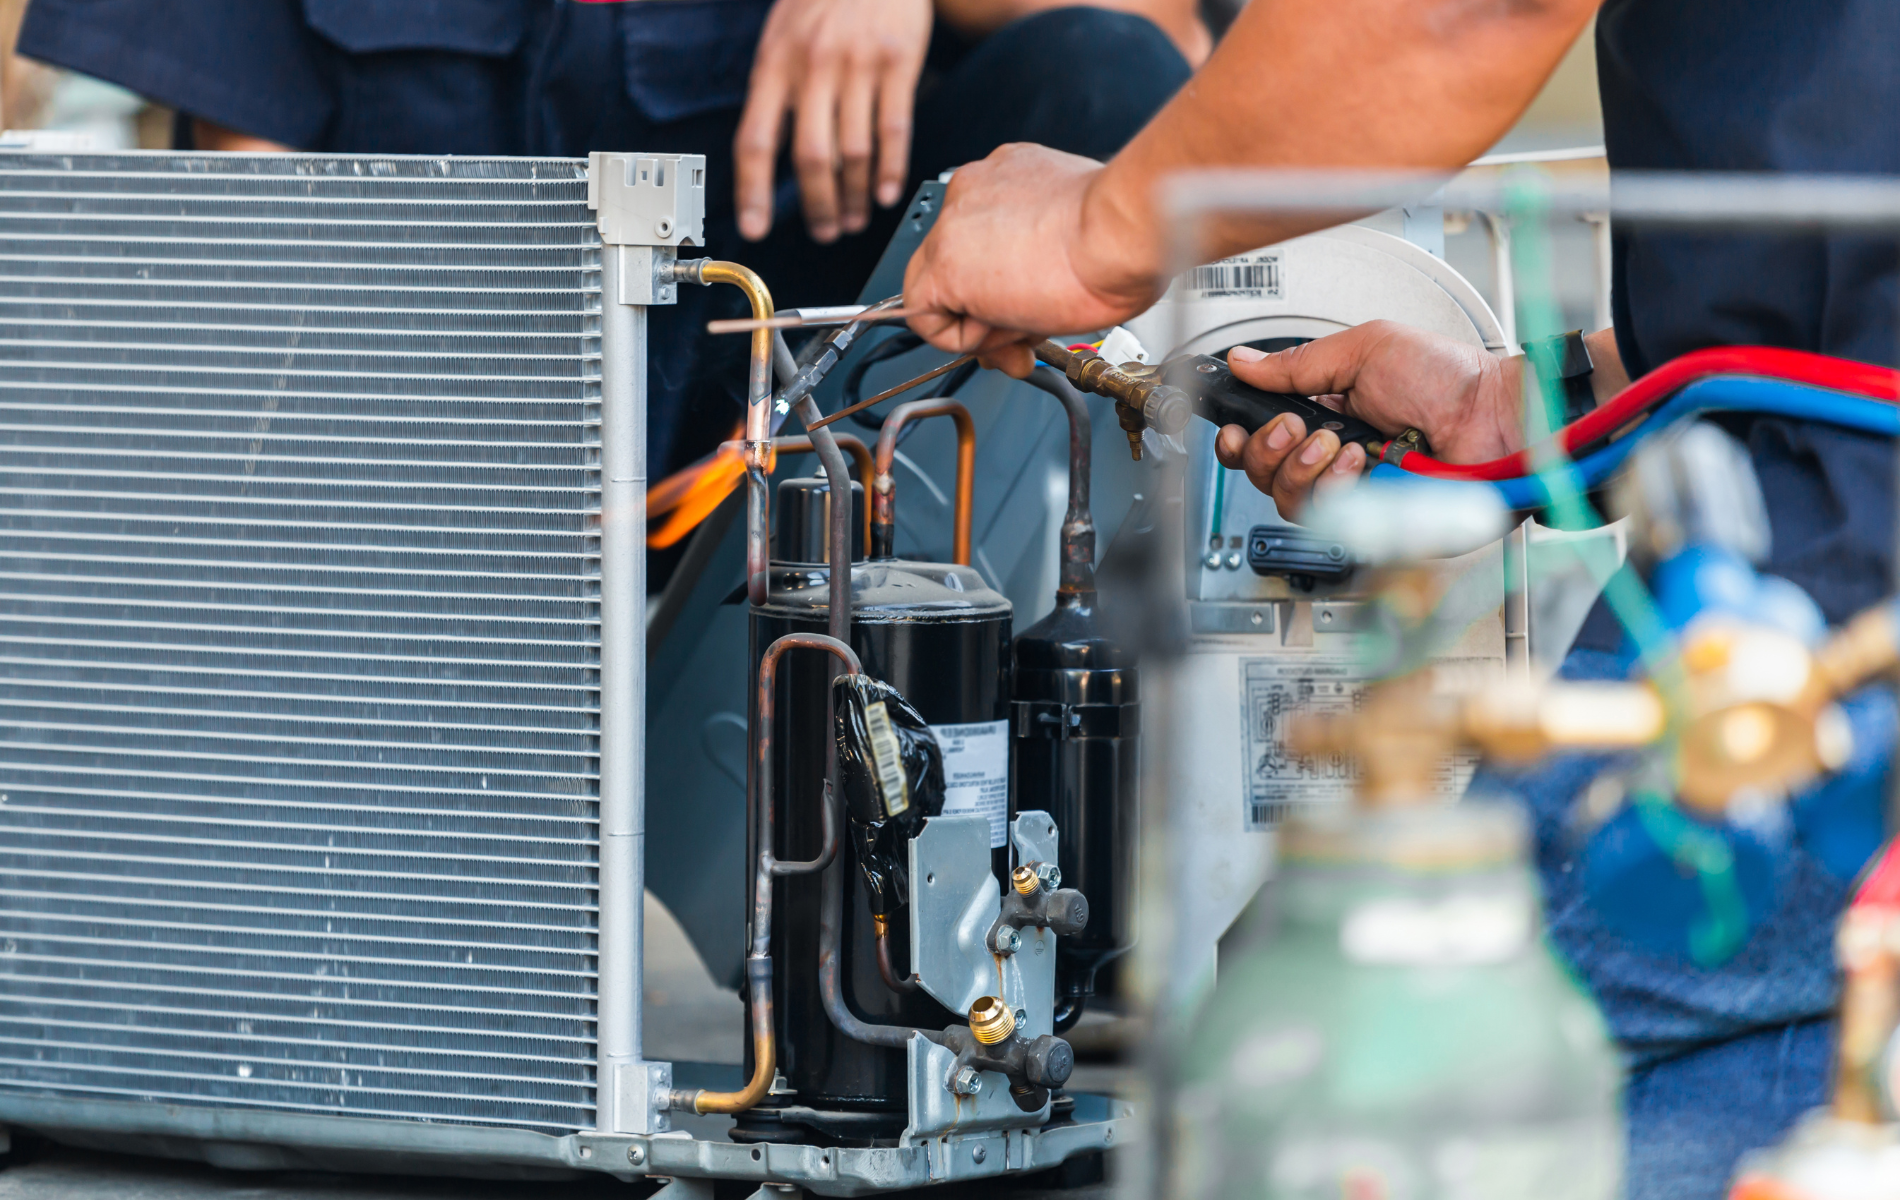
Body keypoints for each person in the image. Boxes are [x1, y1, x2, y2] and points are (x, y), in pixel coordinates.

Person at [900, 0, 1900, 1196]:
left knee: (1377, 1071)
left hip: (1838, 594)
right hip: (1833, 526)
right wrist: (1528, 404)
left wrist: (1086, 233)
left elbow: (1460, 11)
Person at [14, 0, 1203, 475]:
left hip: (818, 427)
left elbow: (1164, 56)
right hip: (424, 454)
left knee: (1099, 76)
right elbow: (256, 225)